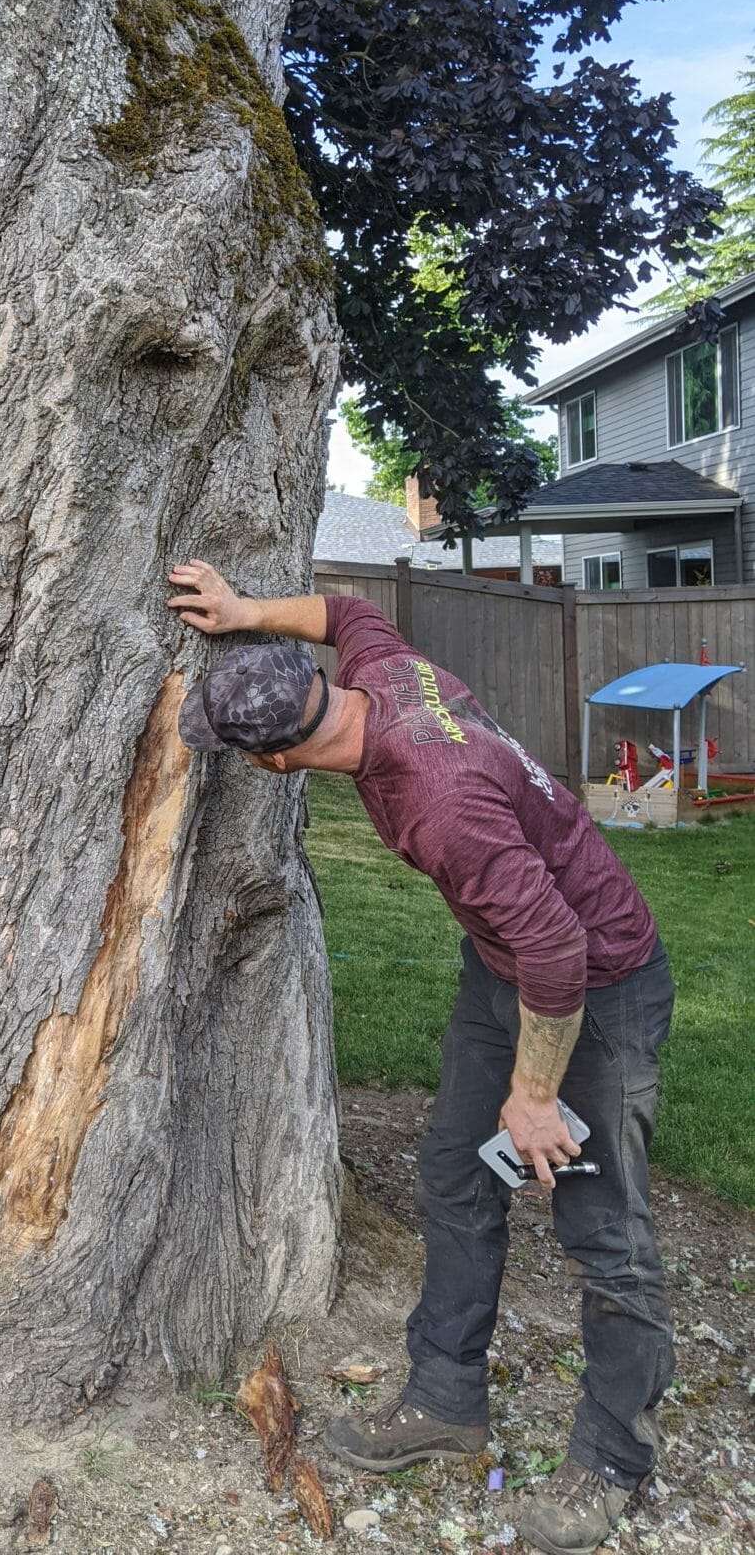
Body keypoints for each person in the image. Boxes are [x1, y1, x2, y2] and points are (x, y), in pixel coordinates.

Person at [166, 560, 674, 1555]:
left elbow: (559, 949)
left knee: (605, 1231)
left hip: (595, 983)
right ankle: (447, 1400)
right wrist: (244, 611)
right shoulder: (380, 679)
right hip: (507, 970)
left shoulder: (435, 798)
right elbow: (352, 610)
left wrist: (535, 1096)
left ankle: (614, 1460)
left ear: (274, 763)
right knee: (454, 1174)